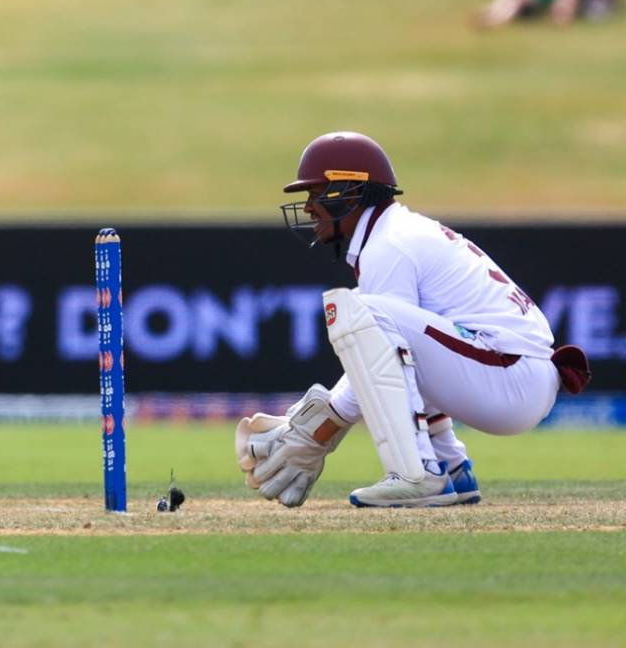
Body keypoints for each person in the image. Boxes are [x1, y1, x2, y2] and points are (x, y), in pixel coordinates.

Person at [235, 132, 590, 508]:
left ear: (349, 193)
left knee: (364, 312)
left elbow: (379, 352)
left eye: (316, 193)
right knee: (385, 333)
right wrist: (317, 424)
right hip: (512, 375)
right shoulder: (395, 231)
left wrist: (314, 431)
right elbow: (395, 357)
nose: (308, 207)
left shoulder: (389, 244)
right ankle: (451, 466)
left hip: (509, 375)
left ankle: (418, 474)